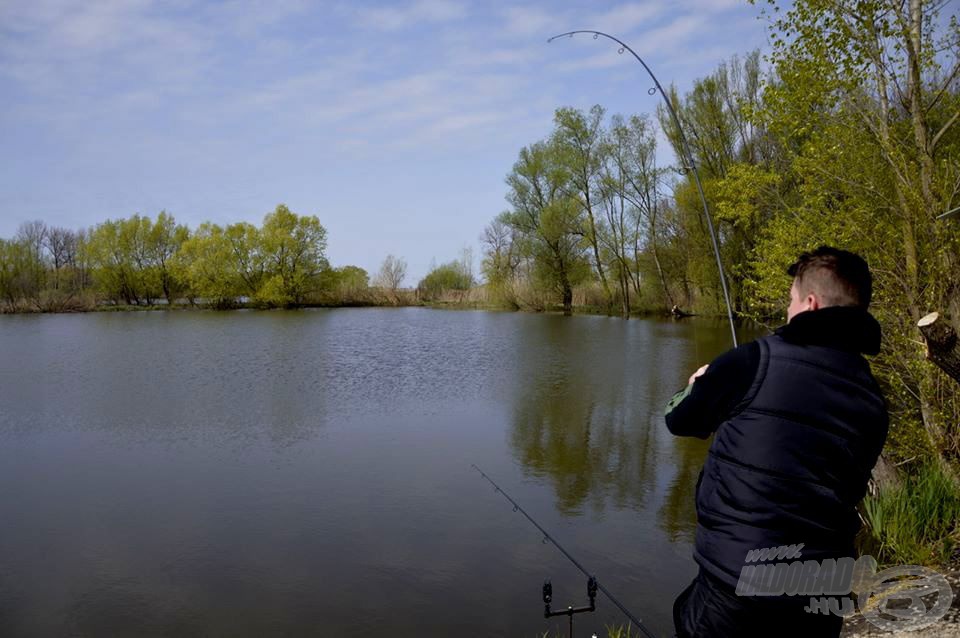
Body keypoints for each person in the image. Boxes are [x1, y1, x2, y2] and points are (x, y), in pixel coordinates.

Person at [665, 246, 889, 637]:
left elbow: (679, 420)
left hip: (736, 591)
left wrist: (695, 385)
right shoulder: (874, 399)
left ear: (811, 303)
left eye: (790, 301)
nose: (786, 312)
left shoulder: (752, 361)